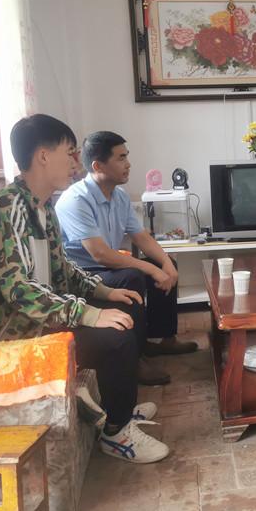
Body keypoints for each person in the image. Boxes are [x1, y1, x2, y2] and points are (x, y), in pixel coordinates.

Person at [0, 114, 170, 464]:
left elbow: (63, 269)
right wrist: (88, 313)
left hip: (37, 322)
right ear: (43, 156)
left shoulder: (42, 208)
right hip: (8, 338)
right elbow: (19, 290)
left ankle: (119, 409)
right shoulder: (4, 208)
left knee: (125, 303)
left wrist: (103, 293)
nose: (76, 162)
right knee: (115, 338)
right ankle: (116, 435)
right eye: (69, 152)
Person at [55, 131, 197, 377]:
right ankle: (136, 357)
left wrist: (165, 263)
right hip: (82, 274)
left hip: (107, 266)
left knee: (163, 265)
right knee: (132, 277)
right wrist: (150, 268)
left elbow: (141, 237)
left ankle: (165, 339)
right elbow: (100, 255)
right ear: (98, 166)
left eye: (126, 156)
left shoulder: (119, 196)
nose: (128, 164)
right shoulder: (75, 200)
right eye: (121, 158)